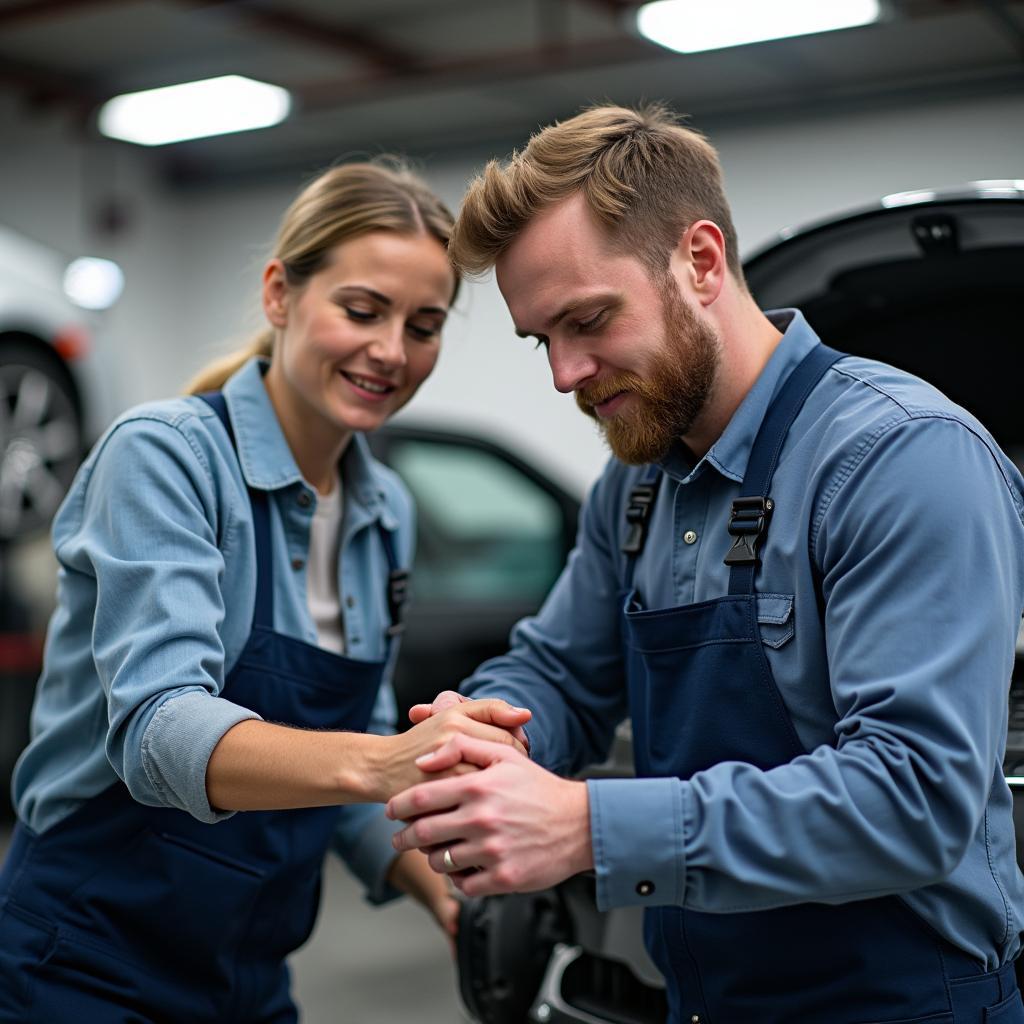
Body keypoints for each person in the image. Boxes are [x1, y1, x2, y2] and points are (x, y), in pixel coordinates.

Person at [387, 105, 1024, 1023]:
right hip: (699, 996)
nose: (566, 374)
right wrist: (486, 729)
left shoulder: (901, 458)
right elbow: (561, 668)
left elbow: (913, 797)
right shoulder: (637, 483)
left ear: (700, 260)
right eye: (542, 340)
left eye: (589, 320)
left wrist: (585, 827)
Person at [0, 159, 532, 1024]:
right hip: (83, 963)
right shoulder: (166, 459)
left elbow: (347, 753)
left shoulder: (384, 509)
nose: (392, 351)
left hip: (247, 975)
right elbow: (161, 732)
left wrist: (431, 883)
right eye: (361, 310)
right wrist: (392, 760)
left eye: (424, 325)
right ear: (281, 293)